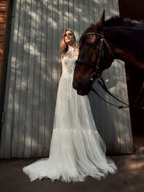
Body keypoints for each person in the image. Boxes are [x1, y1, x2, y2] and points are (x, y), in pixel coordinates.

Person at [23, 29, 117, 182]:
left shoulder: (80, 51)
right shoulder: (63, 55)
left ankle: (83, 158)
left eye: (70, 34)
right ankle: (68, 158)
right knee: (66, 119)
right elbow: (63, 73)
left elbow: (87, 68)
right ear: (63, 39)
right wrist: (59, 92)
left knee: (80, 118)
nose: (68, 36)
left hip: (76, 85)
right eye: (65, 35)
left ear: (74, 37)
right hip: (64, 86)